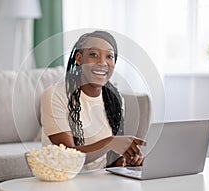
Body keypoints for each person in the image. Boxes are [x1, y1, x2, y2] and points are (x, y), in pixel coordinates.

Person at [41, 30, 146, 170]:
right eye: (94, 54)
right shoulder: (55, 95)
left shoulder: (115, 99)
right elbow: (67, 158)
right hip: (64, 181)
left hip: (101, 181)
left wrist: (125, 161)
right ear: (79, 59)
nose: (102, 62)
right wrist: (110, 143)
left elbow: (105, 160)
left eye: (109, 56)